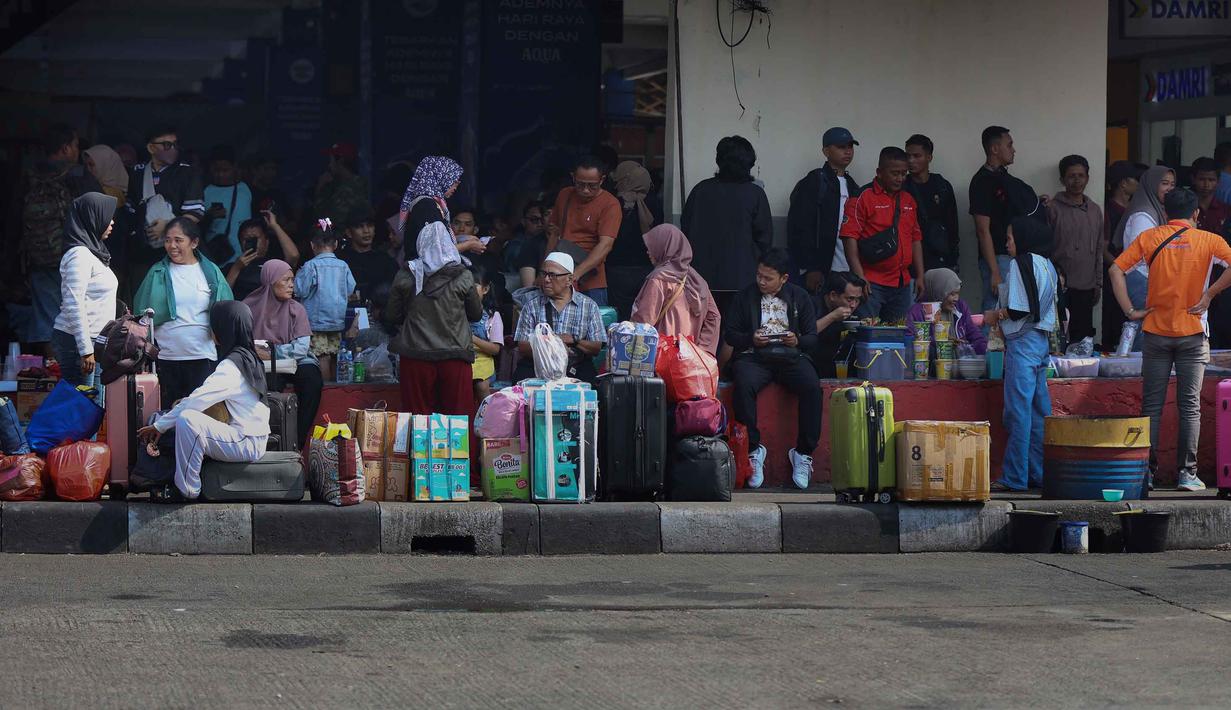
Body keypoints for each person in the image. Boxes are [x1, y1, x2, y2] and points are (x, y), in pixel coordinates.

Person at [1110, 188, 1231, 492]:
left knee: (1151, 405)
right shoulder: (1209, 240)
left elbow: (1115, 269)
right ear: (1195, 214)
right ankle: (1186, 474)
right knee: (1190, 406)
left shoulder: (1150, 237)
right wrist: (1209, 294)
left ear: (1165, 213)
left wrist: (1131, 311)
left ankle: (1145, 474)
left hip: (1155, 332)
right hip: (1192, 332)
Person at [137, 301, 270, 500]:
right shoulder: (248, 356)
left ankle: (187, 489)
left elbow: (196, 401)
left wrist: (159, 426)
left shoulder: (232, 366)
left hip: (245, 441)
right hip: (252, 438)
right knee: (185, 413)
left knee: (188, 420)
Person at [723, 248, 820, 490]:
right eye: (759, 275)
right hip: (755, 357)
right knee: (743, 384)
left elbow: (812, 337)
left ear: (784, 278)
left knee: (812, 387)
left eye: (768, 278)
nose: (761, 281)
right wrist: (750, 338)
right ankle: (754, 450)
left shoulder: (799, 296)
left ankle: (803, 453)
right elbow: (731, 334)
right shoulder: (745, 296)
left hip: (790, 358)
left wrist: (796, 340)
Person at [988, 217, 1058, 492]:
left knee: (1017, 413)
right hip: (1041, 341)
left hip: (1023, 341)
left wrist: (996, 315)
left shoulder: (1020, 263)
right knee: (1039, 413)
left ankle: (1015, 477)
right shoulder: (1047, 264)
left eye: (1010, 237)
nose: (1007, 243)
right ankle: (1038, 474)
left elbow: (1019, 309)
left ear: (1024, 239)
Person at [385, 219, 482, 415]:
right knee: (457, 420)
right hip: (455, 355)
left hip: (416, 356)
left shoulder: (406, 275)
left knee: (418, 418)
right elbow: (475, 314)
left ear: (420, 244)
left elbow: (392, 315)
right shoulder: (463, 276)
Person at [133, 217, 233, 404]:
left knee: (199, 416)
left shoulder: (211, 271)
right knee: (166, 416)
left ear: (194, 242)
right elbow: (141, 313)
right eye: (167, 240)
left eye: (178, 240)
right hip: (165, 358)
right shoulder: (157, 272)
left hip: (202, 356)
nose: (172, 246)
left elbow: (227, 309)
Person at [21, 123, 101, 353]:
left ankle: (50, 372)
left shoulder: (29, 176)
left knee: (47, 320)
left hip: (39, 258)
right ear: (66, 148)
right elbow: (99, 213)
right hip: (75, 257)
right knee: (81, 318)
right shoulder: (78, 176)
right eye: (76, 145)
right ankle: (74, 378)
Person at [681, 135, 773, 300]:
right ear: (749, 164)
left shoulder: (700, 190)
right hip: (742, 278)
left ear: (719, 161)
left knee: (706, 325)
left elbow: (685, 231)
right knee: (738, 326)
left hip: (700, 278)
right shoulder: (755, 194)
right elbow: (765, 239)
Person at [840, 146, 925, 322]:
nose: (900, 178)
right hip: (871, 283)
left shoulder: (908, 200)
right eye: (895, 173)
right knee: (869, 337)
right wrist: (860, 277)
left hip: (902, 283)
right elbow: (850, 238)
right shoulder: (862, 197)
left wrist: (920, 275)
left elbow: (915, 239)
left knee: (900, 338)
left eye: (903, 173)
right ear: (879, 172)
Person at [244, 260, 322, 449]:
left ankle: (297, 440)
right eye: (285, 280)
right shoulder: (247, 308)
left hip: (295, 361)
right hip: (265, 365)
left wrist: (272, 352)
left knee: (312, 378)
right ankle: (269, 440)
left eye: (292, 280)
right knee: (269, 383)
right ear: (270, 281)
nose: (291, 285)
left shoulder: (296, 309)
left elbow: (301, 349)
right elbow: (244, 342)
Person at [969, 126, 1047, 311]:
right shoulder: (982, 181)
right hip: (998, 257)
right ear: (995, 149)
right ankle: (986, 341)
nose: (1013, 150)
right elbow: (982, 230)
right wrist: (995, 272)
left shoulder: (1005, 178)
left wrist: (1038, 202)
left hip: (1015, 256)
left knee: (1014, 310)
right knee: (995, 308)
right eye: (1009, 145)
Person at [51, 193, 119, 387]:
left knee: (93, 406)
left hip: (94, 341)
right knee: (83, 407)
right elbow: (74, 303)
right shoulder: (78, 255)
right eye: (107, 216)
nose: (112, 222)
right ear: (93, 217)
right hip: (78, 342)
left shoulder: (93, 253)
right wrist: (85, 350)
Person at [124, 125, 205, 283]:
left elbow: (195, 214)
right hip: (143, 254)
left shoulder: (187, 173)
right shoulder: (137, 173)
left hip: (177, 254)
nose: (173, 149)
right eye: (167, 145)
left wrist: (167, 226)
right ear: (151, 147)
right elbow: (129, 211)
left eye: (175, 144)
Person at [512, 252, 607, 382]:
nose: (546, 279)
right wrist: (555, 344)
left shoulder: (588, 306)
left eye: (552, 275)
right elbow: (523, 346)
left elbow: (596, 347)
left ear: (569, 279)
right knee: (520, 382)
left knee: (595, 391)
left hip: (575, 365)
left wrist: (575, 340)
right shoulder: (532, 305)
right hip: (539, 364)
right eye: (543, 274)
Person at [788, 127, 861, 292]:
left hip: (849, 271)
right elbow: (800, 227)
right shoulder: (815, 181)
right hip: (822, 271)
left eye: (850, 146)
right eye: (841, 147)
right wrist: (810, 268)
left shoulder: (853, 185)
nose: (848, 151)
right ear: (826, 151)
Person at [1111, 165, 1175, 347]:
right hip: (1142, 279)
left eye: (1172, 184)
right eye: (1164, 183)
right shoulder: (1143, 215)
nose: (1169, 188)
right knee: (1144, 334)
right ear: (1152, 184)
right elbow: (1143, 254)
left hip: (1149, 280)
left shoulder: (1156, 210)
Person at [631, 224, 721, 354]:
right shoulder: (698, 280)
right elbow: (714, 317)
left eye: (653, 246)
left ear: (664, 247)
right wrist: (702, 350)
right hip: (688, 359)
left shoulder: (659, 279)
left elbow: (643, 323)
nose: (648, 251)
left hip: (662, 357)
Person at [545, 155, 622, 306]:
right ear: (573, 177)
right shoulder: (565, 195)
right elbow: (554, 233)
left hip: (592, 280)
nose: (585, 190)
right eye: (580, 185)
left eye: (592, 186)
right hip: (559, 274)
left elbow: (605, 245)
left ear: (602, 180)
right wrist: (545, 267)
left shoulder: (610, 204)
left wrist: (576, 274)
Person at [1046, 155, 1103, 343]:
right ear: (1062, 180)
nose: (1077, 181)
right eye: (1071, 176)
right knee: (1058, 338)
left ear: (1087, 178)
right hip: (1059, 286)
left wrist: (1098, 282)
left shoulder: (1095, 210)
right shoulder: (1052, 208)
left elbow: (1098, 248)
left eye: (1081, 175)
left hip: (1087, 286)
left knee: (1082, 340)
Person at [296, 219, 356, 380]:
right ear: (335, 244)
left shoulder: (310, 266)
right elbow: (350, 288)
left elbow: (300, 290)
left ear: (312, 245)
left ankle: (326, 391)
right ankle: (337, 389)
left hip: (315, 323)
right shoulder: (343, 265)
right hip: (336, 321)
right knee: (335, 354)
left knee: (322, 356)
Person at [606, 161, 660, 319]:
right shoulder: (653, 202)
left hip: (617, 268)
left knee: (619, 314)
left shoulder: (613, 201)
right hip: (646, 267)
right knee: (641, 313)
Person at [1101, 162, 1145, 352]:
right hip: (1116, 274)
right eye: (1135, 179)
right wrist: (1121, 268)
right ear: (1123, 184)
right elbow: (1102, 248)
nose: (1138, 183)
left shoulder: (1135, 208)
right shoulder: (1109, 210)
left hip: (1129, 274)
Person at [904, 134, 960, 272]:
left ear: (929, 157)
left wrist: (952, 259)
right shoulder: (901, 187)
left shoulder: (942, 186)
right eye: (908, 156)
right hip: (910, 261)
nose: (911, 161)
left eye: (917, 156)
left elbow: (952, 226)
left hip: (939, 258)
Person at [905, 268, 988, 358]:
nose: (956, 299)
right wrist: (942, 342)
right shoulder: (917, 312)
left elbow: (974, 334)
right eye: (952, 294)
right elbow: (910, 343)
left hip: (958, 367)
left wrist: (986, 349)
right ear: (938, 291)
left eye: (958, 293)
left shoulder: (960, 307)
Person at [397, 155, 464, 261]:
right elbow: (435, 252)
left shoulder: (435, 204)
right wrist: (469, 245)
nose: (457, 184)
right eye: (454, 179)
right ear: (441, 177)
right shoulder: (426, 206)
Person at [226, 213, 301, 300]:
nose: (250, 242)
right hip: (243, 311)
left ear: (266, 242)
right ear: (240, 242)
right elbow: (222, 296)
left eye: (255, 238)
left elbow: (293, 256)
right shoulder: (232, 268)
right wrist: (236, 268)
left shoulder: (274, 266)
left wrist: (275, 226)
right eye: (246, 239)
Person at [201, 145, 253, 268]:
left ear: (234, 168)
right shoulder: (205, 191)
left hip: (241, 256)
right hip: (213, 255)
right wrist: (208, 216)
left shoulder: (245, 189)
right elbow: (195, 227)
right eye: (217, 171)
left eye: (225, 170)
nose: (220, 175)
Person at [810, 271, 864, 378]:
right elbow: (805, 333)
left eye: (857, 300)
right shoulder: (811, 305)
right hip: (811, 365)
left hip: (840, 367)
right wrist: (833, 316)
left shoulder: (854, 313)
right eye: (850, 299)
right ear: (833, 296)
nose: (853, 305)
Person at [338, 206, 397, 302]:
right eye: (360, 226)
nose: (366, 231)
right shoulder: (340, 262)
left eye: (369, 225)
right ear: (349, 232)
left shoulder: (386, 261)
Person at [314, 142, 369, 227]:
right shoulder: (357, 183)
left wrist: (320, 188)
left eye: (331, 160)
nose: (329, 165)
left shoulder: (347, 189)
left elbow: (326, 222)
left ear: (340, 161)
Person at [470, 265, 504, 402]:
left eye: (474, 286)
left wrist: (472, 339)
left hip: (483, 361)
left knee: (481, 384)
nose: (469, 290)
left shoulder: (492, 317)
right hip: (462, 359)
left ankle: (486, 417)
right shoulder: (457, 313)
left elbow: (495, 349)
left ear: (485, 289)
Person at [514, 201, 549, 288]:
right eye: (534, 220)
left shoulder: (565, 242)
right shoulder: (523, 246)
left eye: (541, 220)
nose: (540, 224)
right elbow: (528, 290)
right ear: (523, 221)